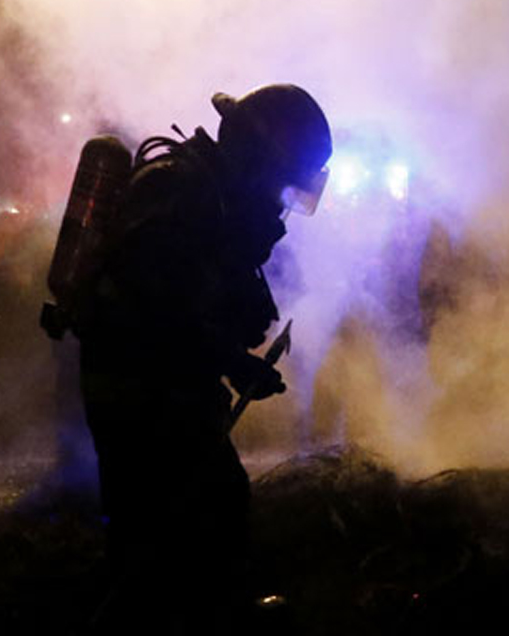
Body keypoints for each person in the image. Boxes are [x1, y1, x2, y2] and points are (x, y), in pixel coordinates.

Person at [74, 84, 331, 633]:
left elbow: (194, 300)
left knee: (182, 522)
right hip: (138, 393)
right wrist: (234, 363)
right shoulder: (177, 193)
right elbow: (151, 306)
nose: (279, 199)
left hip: (165, 388)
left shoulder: (208, 198)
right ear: (256, 157)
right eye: (281, 178)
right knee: (189, 518)